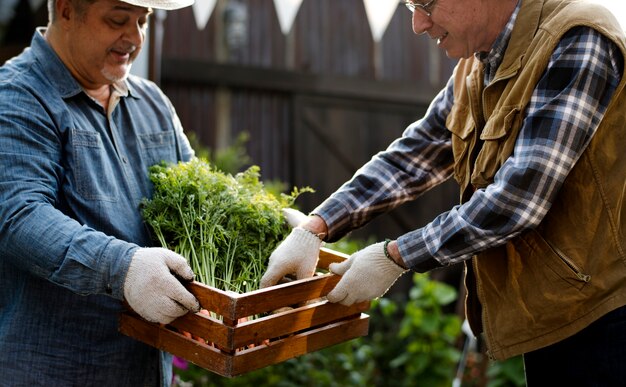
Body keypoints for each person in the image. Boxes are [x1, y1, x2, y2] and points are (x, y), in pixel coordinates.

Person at [261, 0, 626, 384]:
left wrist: (395, 256)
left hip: (606, 317)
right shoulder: (477, 63)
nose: (418, 24)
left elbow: (518, 199)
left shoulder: (578, 37)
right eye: (409, 6)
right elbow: (412, 158)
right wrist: (317, 226)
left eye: (426, 4)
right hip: (559, 311)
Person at [0, 0, 202, 385]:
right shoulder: (16, 97)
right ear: (66, 10)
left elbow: (198, 195)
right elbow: (19, 216)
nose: (135, 36)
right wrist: (123, 267)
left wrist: (275, 222)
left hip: (144, 372)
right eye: (117, 20)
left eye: (143, 21)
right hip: (50, 372)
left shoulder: (152, 103)